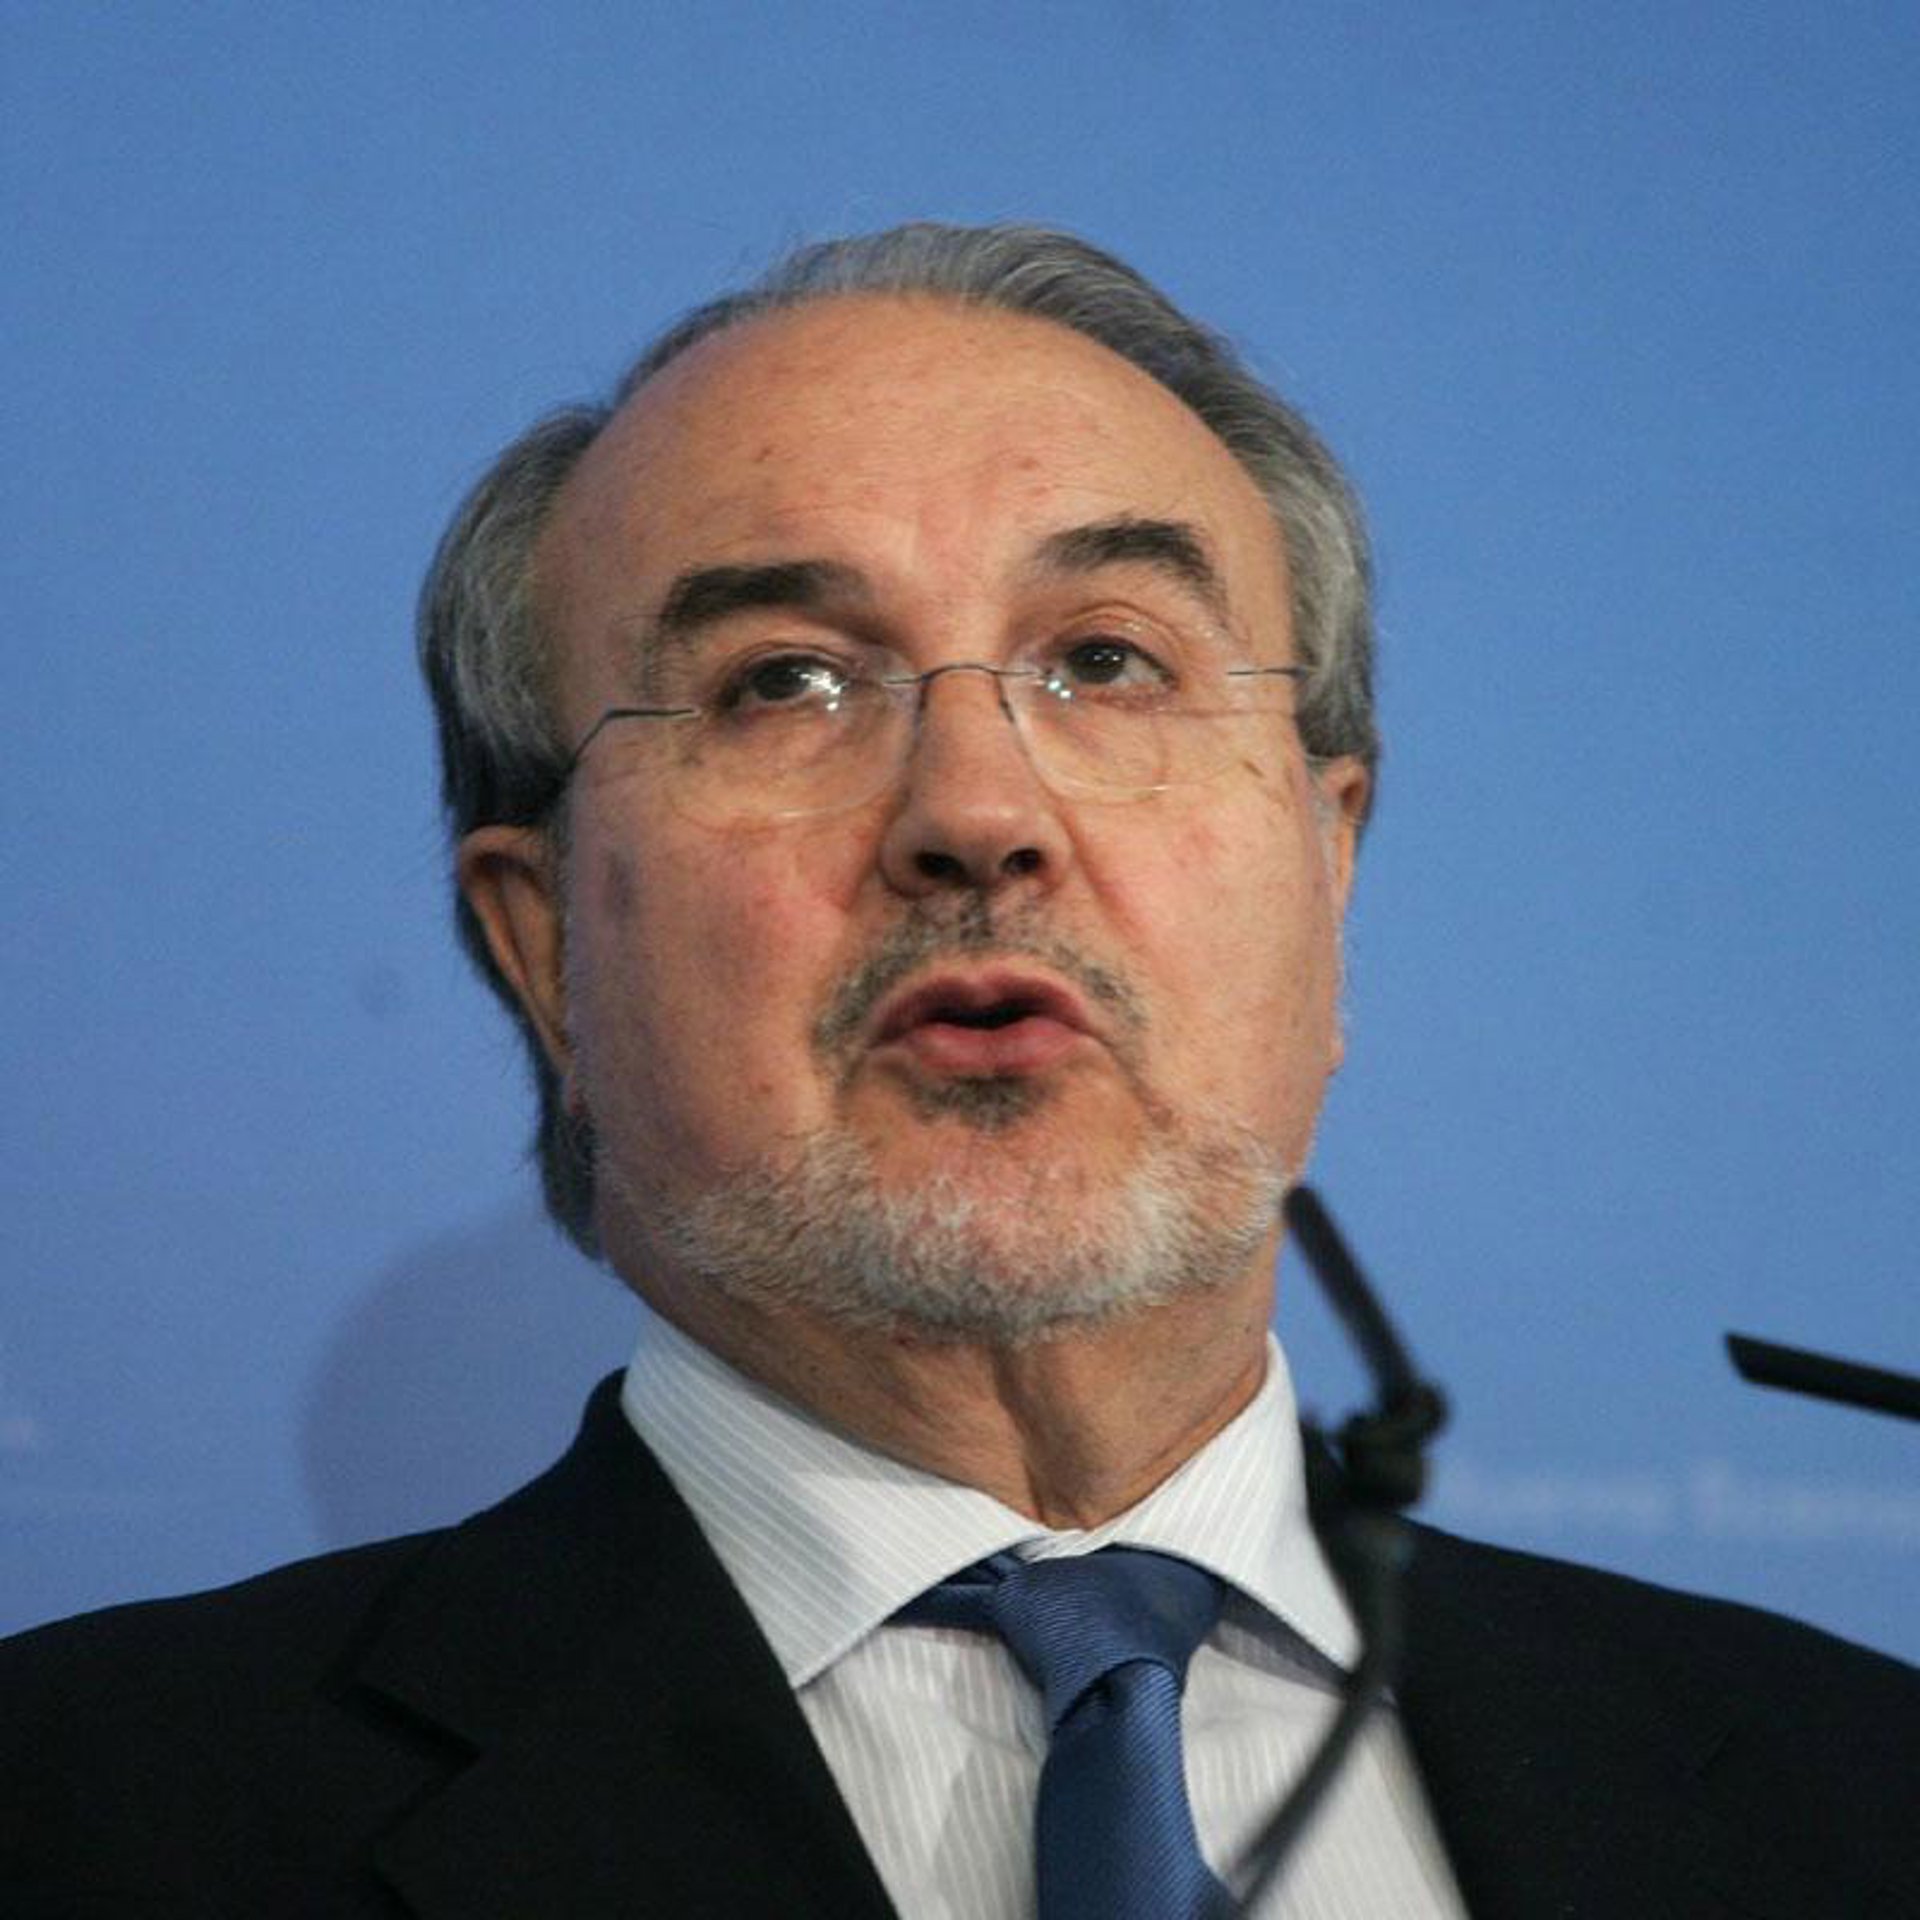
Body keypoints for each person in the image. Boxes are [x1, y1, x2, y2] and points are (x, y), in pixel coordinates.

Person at [3, 224, 1914, 1920]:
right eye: (783, 681)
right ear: (546, 947)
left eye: (1108, 661)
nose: (979, 811)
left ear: (1328, 867)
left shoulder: (1856, 1797)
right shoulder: (81, 1819)